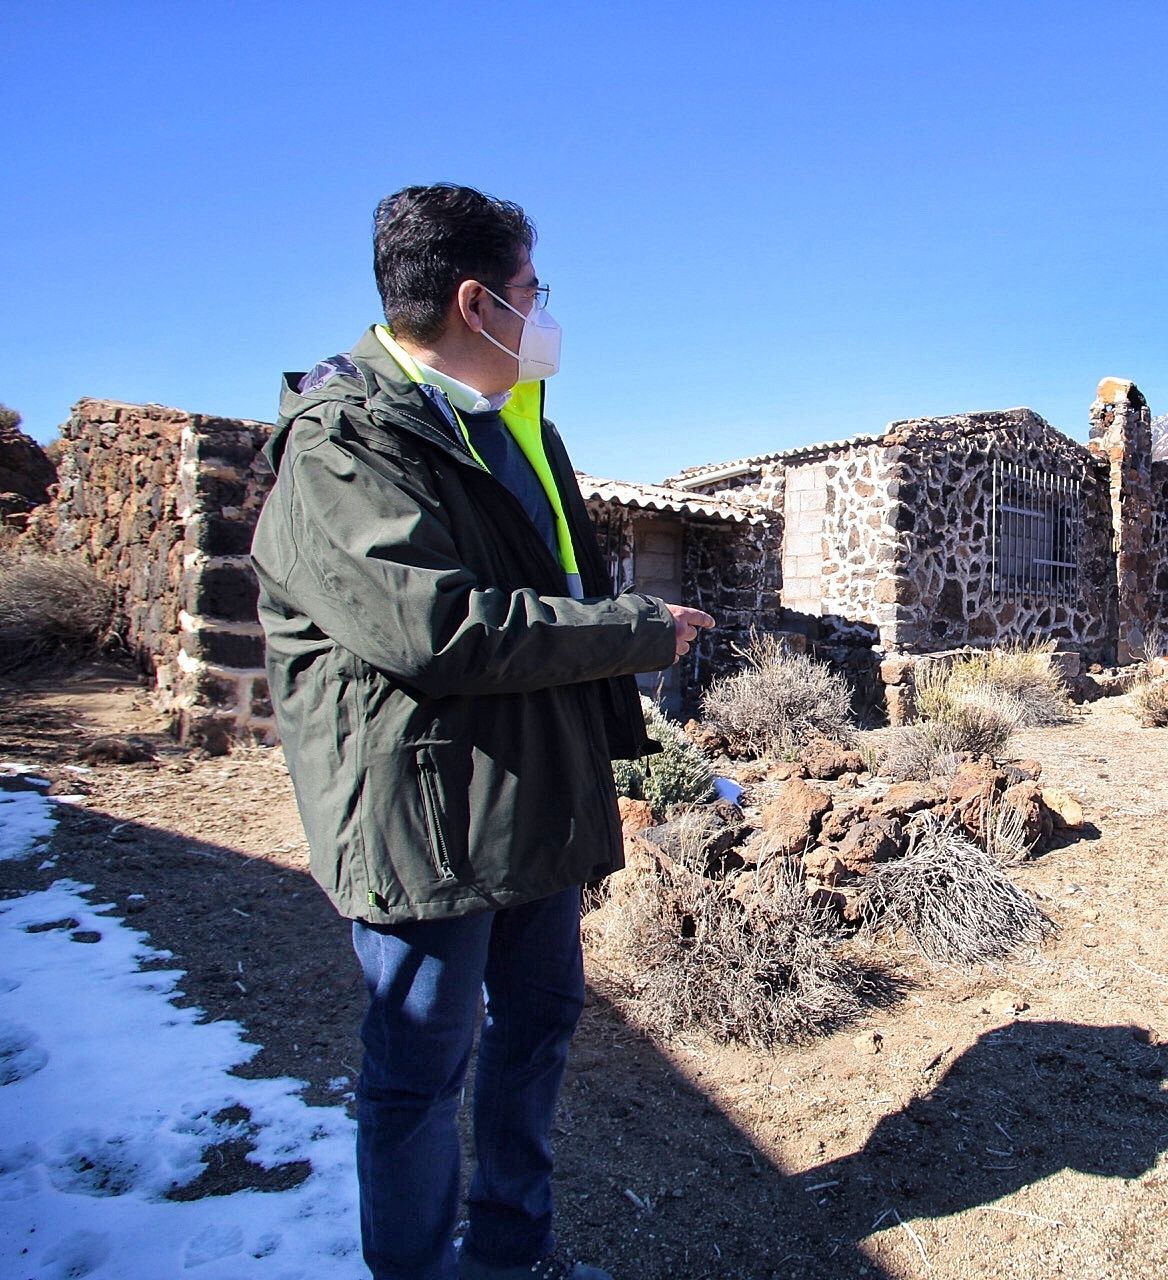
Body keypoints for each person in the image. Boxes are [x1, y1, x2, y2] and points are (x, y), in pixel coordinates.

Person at [252, 183, 712, 1280]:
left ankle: (513, 1253)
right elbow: (440, 626)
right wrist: (636, 630)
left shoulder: (504, 418)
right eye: (528, 290)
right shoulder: (345, 442)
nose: (541, 311)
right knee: (418, 1065)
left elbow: (542, 577)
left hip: (530, 791)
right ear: (473, 301)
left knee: (539, 1025)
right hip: (424, 815)